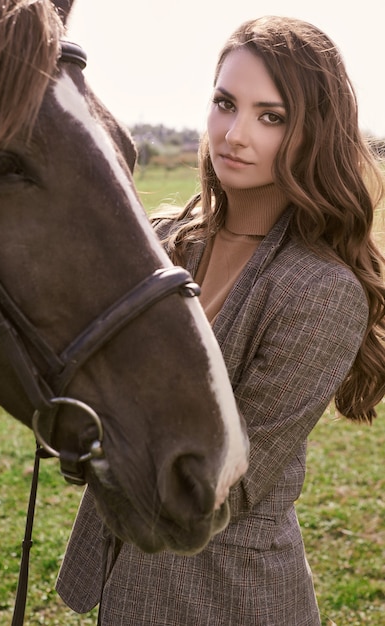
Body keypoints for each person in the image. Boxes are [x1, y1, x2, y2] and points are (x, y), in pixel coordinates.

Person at [56, 15, 385, 625]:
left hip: (230, 595)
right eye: (225, 103)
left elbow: (224, 483)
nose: (234, 133)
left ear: (314, 132)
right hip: (125, 570)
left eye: (271, 116)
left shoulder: (322, 293)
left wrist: (98, 440)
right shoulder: (162, 243)